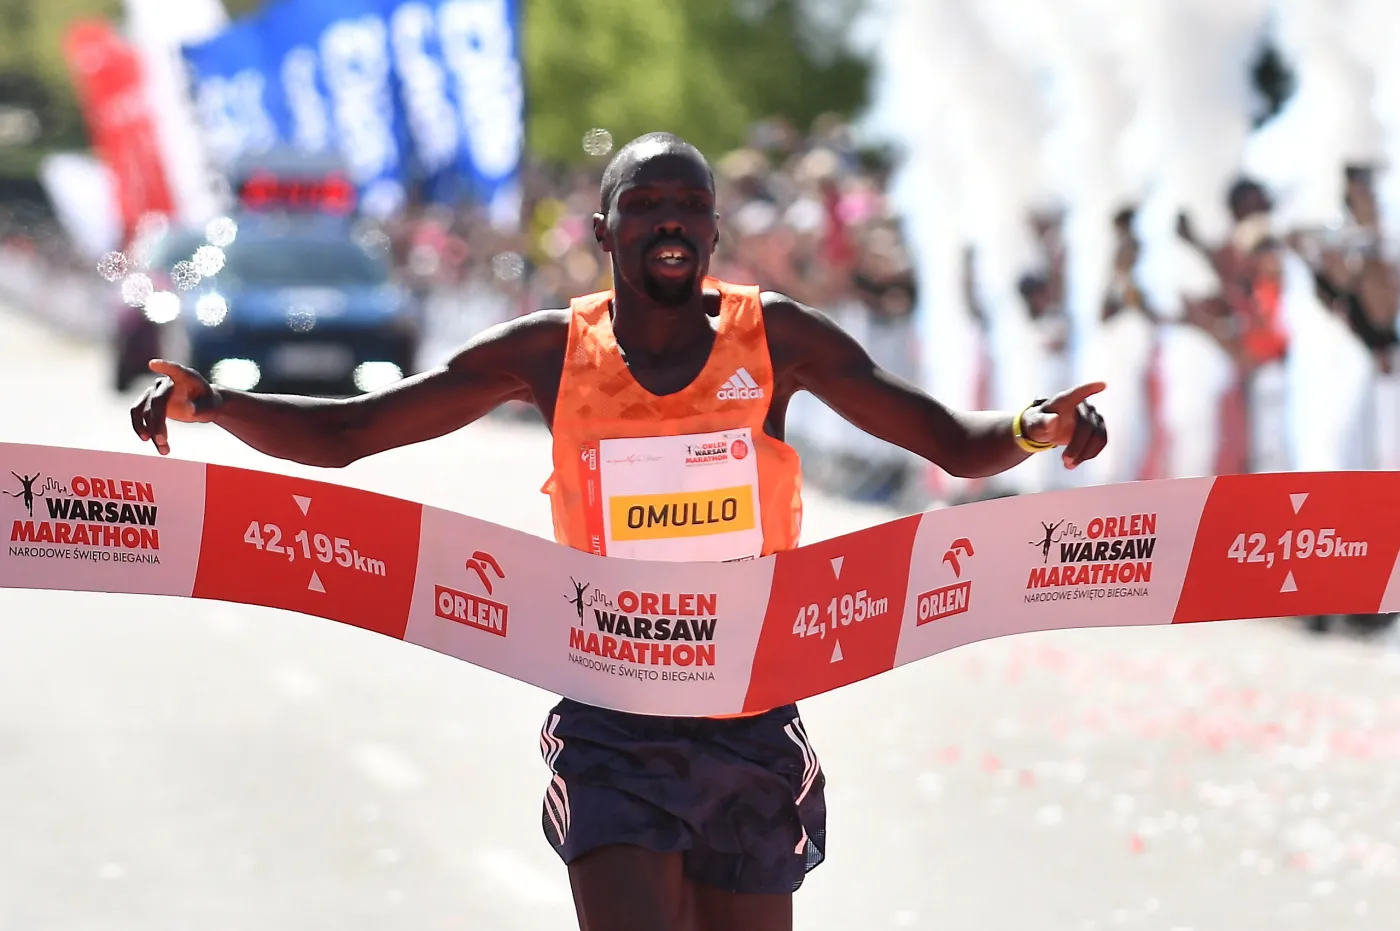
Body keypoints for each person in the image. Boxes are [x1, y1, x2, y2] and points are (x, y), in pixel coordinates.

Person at [130, 132, 1108, 931]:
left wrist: (1035, 425)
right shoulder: (552, 352)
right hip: (611, 722)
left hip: (749, 716)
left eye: (687, 203)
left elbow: (945, 438)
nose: (669, 218)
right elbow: (350, 433)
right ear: (602, 230)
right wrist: (214, 403)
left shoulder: (777, 340)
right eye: (644, 203)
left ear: (714, 232)